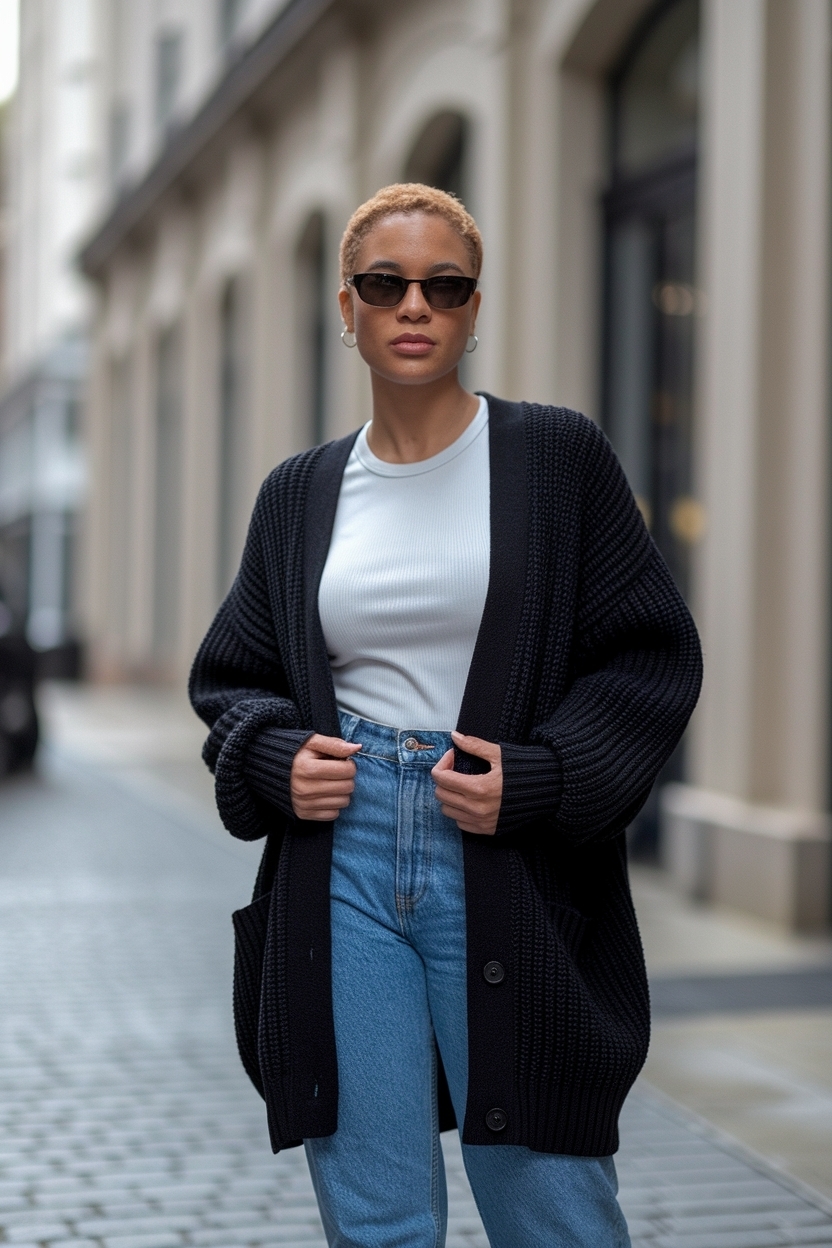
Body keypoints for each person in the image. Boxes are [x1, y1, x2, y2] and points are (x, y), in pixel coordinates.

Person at [190, 183, 702, 1248]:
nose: (412, 305)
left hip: (505, 856)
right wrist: (275, 756)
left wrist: (548, 774)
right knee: (376, 1218)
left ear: (474, 309)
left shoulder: (558, 460)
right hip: (341, 861)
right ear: (348, 307)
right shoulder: (300, 492)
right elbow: (234, 674)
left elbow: (648, 652)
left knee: (552, 1206)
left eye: (443, 285)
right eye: (385, 284)